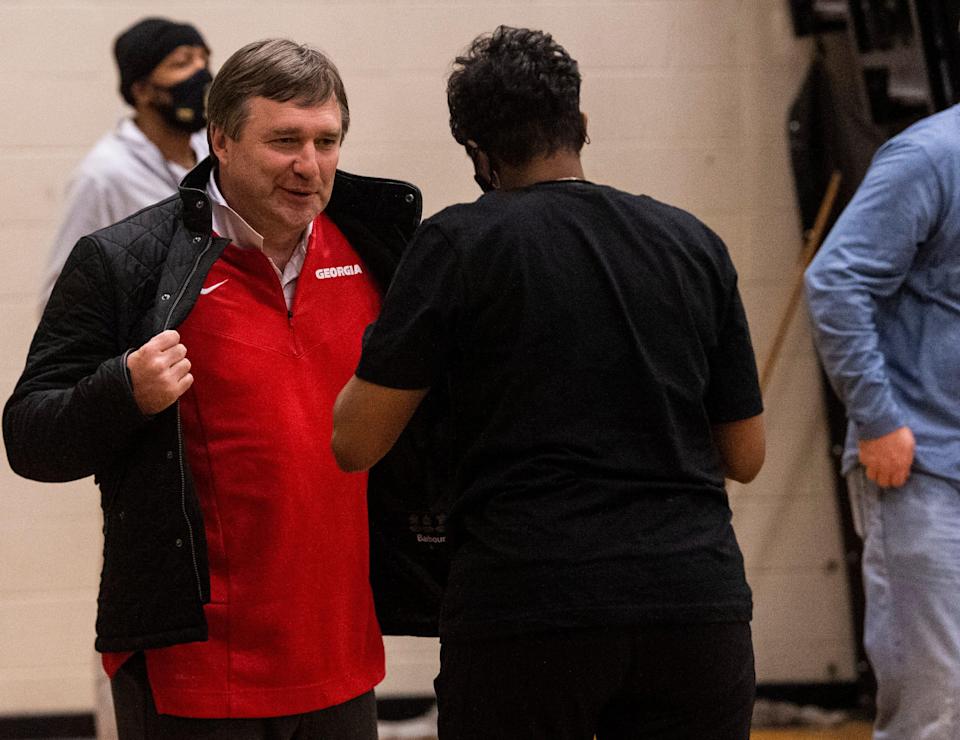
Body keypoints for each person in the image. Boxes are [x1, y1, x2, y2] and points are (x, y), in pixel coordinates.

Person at [332, 25, 766, 740]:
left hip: (526, 606)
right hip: (694, 603)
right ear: (582, 125)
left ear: (476, 151)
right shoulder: (692, 242)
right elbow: (745, 458)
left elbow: (355, 441)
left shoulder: (457, 243)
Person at [5, 38, 424, 739]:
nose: (310, 165)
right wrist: (122, 391)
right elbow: (29, 435)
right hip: (194, 667)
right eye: (285, 140)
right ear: (221, 139)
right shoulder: (126, 262)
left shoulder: (378, 253)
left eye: (327, 141)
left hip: (341, 657)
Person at [805, 105, 960, 739]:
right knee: (936, 706)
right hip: (923, 469)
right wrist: (877, 419)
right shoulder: (929, 156)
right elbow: (835, 282)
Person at [37, 17, 212, 314]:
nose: (202, 73)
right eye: (182, 63)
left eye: (204, 60)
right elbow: (61, 296)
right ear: (141, 89)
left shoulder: (214, 151)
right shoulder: (104, 175)